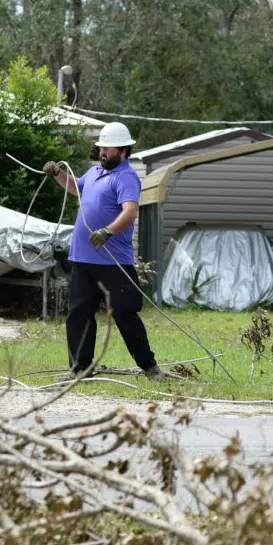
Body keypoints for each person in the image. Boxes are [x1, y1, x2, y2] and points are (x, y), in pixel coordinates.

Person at [43, 122, 173, 382]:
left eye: (108, 149)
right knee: (79, 315)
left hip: (113, 262)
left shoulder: (126, 177)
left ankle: (150, 368)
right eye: (101, 148)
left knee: (125, 313)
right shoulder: (93, 173)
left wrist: (108, 232)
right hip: (83, 258)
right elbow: (74, 188)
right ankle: (80, 370)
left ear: (123, 151)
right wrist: (57, 174)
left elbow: (130, 211)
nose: (102, 153)